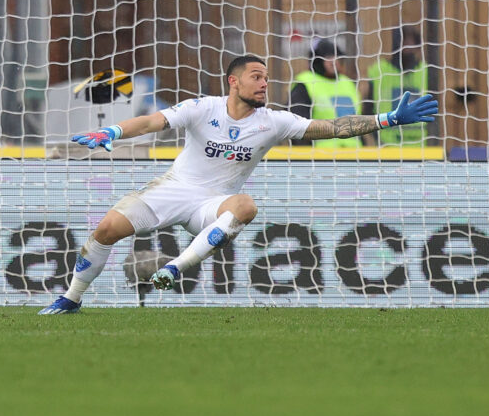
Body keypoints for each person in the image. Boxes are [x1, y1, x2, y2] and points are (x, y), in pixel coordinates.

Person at [39, 54, 437, 314]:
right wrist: (112, 131)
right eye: (256, 77)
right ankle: (71, 298)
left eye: (266, 78)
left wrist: (387, 119)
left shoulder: (274, 121)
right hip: (174, 189)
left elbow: (331, 127)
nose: (264, 84)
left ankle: (175, 269)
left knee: (245, 205)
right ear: (233, 81)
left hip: (212, 205)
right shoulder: (202, 108)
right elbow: (150, 122)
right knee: (106, 229)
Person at [288, 38, 362, 147]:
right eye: (328, 57)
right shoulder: (306, 83)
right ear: (316, 60)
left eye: (336, 57)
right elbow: (297, 126)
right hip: (321, 154)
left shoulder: (347, 83)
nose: (334, 61)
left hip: (354, 152)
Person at [363, 25, 429, 146]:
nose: (408, 49)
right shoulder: (379, 72)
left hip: (419, 148)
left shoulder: (425, 72)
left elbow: (434, 112)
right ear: (396, 45)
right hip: (388, 147)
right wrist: (378, 139)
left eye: (412, 44)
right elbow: (367, 111)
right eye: (405, 44)